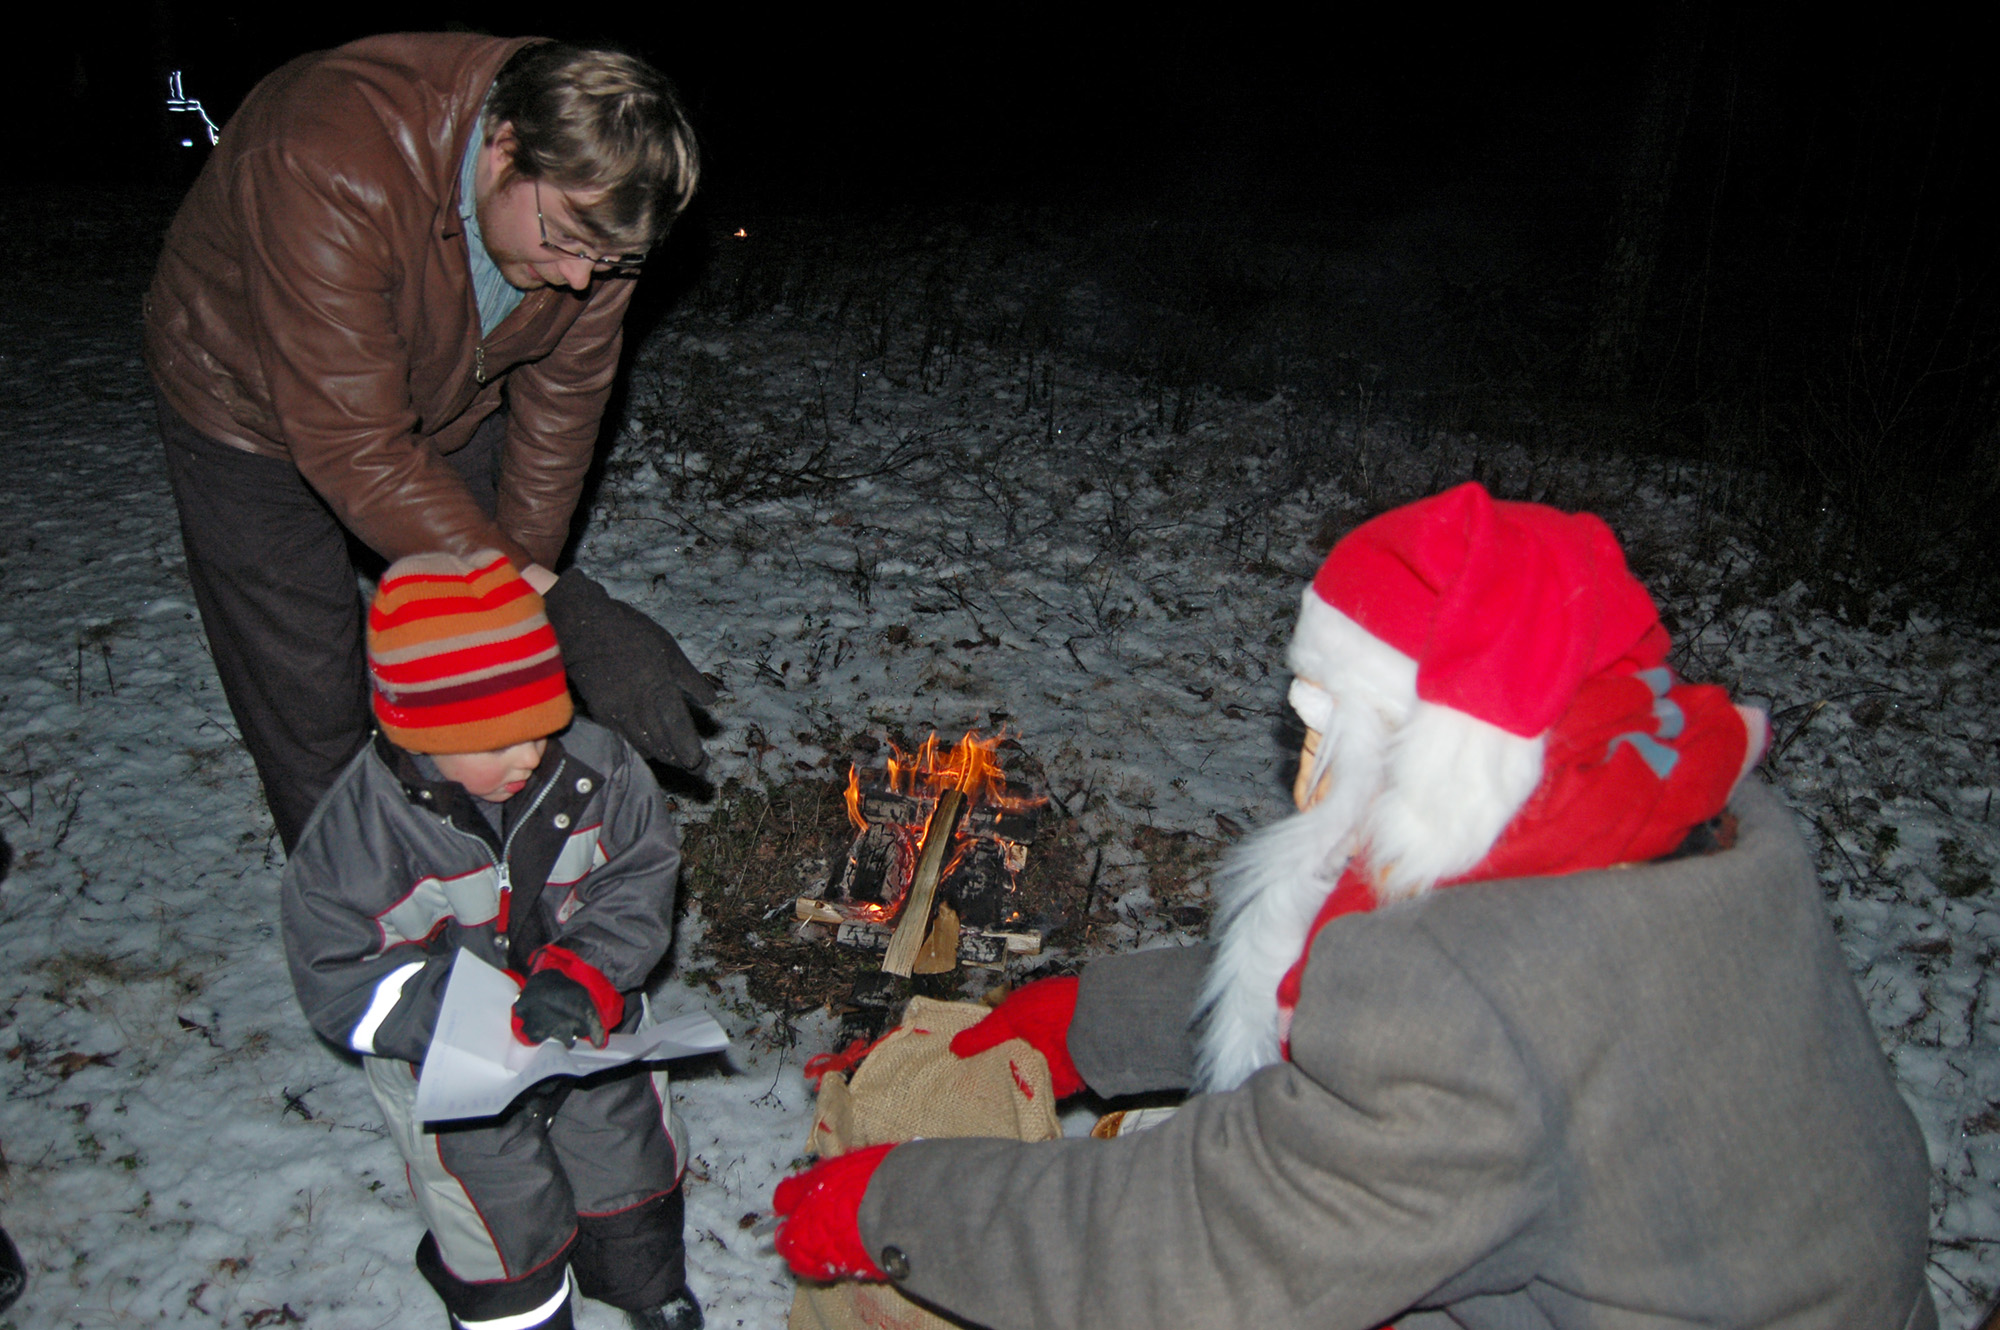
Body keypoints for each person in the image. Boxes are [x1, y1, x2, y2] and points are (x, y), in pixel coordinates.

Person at [770, 482, 1937, 1329]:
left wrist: (891, 1207)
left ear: (1439, 756)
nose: (1300, 775)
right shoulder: (1660, 823)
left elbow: (1203, 1250)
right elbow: (1407, 1019)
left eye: (1326, 730)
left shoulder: (1460, 1000)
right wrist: (1079, 1022)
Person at [146, 33, 715, 853]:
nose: (582, 279)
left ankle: (480, 860)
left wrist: (531, 605)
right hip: (250, 410)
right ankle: (367, 892)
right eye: (565, 241)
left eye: (613, 260)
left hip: (445, 400)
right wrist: (554, 601)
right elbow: (356, 444)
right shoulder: (329, 154)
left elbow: (562, 404)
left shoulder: (594, 215)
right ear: (505, 146)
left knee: (481, 659)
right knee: (309, 694)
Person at [282, 552, 701, 1330]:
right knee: (495, 1216)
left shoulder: (595, 769)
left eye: (543, 725)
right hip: (454, 1075)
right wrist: (475, 1013)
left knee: (627, 1160)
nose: (530, 755)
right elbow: (340, 970)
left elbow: (639, 873)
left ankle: (649, 1291)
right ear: (420, 732)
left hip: (592, 1024)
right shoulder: (359, 837)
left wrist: (585, 969)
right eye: (498, 740)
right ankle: (522, 1317)